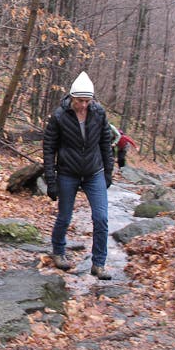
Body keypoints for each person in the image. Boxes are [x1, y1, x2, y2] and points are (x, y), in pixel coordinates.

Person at [42, 71, 113, 280]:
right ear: (72, 97)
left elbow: (106, 145)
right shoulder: (59, 116)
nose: (83, 105)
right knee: (64, 216)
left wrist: (108, 173)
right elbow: (48, 148)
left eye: (87, 101)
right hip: (67, 172)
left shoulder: (99, 113)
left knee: (101, 218)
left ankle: (99, 264)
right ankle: (58, 251)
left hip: (94, 172)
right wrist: (51, 180)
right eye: (80, 101)